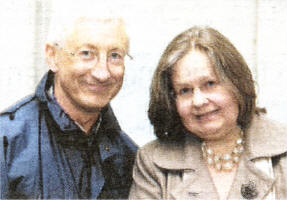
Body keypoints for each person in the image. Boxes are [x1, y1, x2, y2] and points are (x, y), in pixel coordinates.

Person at [129, 26, 287, 199]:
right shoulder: (152, 162)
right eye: (185, 90)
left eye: (210, 84)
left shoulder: (282, 149)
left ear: (237, 83)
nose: (198, 101)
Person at [0, 16, 137, 199]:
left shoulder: (128, 156)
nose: (102, 73)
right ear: (52, 56)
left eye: (115, 56)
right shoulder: (7, 141)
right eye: (87, 53)